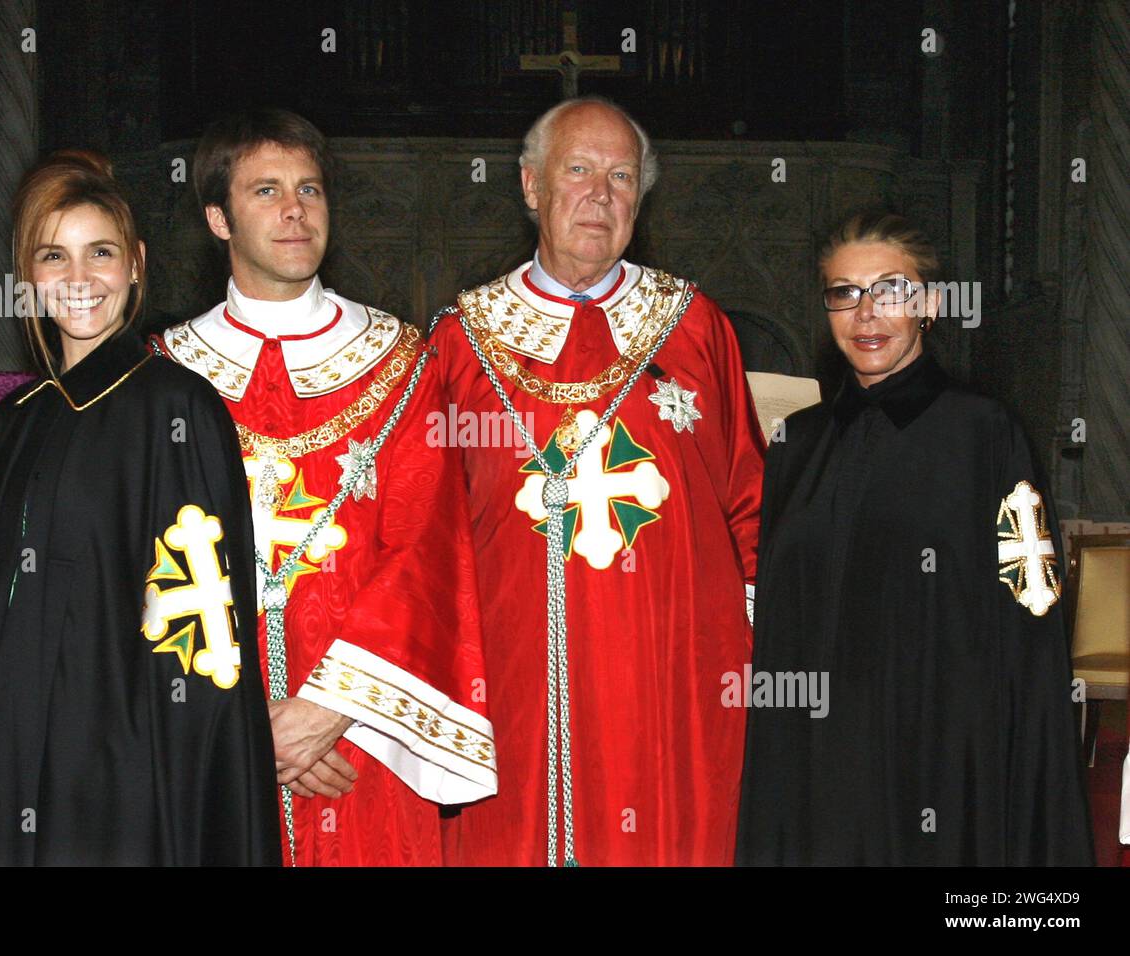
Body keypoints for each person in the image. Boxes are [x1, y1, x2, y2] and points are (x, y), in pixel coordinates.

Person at [149, 111, 494, 866]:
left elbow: (427, 548)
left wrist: (328, 712)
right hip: (209, 744)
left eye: (309, 187)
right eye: (266, 190)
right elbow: (138, 570)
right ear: (217, 217)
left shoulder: (403, 360)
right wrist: (236, 725)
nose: (295, 209)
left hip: (362, 742)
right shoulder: (161, 376)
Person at [430, 97, 765, 866]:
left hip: (675, 678)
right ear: (529, 187)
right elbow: (430, 529)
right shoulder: (461, 340)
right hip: (517, 681)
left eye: (621, 177)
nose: (601, 194)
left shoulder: (694, 326)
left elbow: (748, 500)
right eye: (577, 170)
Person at [0, 151, 280, 865]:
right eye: (54, 256)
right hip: (6, 748)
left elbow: (204, 631)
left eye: (101, 253)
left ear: (136, 264)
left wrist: (163, 781)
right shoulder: (14, 420)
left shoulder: (175, 408)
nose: (79, 280)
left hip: (117, 764)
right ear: (28, 276)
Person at [736, 210, 1095, 865]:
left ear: (929, 303)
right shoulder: (797, 444)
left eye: (890, 290)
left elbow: (1029, 616)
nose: (866, 313)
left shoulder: (986, 435)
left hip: (941, 758)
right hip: (818, 766)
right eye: (844, 292)